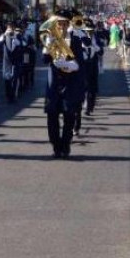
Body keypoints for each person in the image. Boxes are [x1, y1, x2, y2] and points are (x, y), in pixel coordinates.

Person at [42, 9, 86, 159]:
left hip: (70, 83)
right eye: (58, 23)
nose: (60, 26)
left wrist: (67, 65)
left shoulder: (75, 40)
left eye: (63, 24)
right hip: (53, 83)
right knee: (51, 116)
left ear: (68, 25)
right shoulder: (50, 38)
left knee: (69, 116)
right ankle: (56, 146)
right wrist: (49, 48)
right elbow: (45, 60)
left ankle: (66, 145)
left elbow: (80, 63)